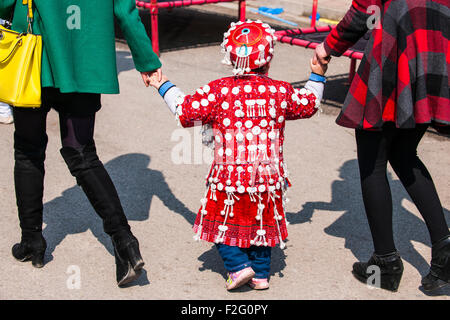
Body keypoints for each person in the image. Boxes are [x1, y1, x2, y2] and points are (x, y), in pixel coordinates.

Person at [150, 20, 327, 290]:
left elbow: (185, 111)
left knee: (220, 221)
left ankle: (237, 267)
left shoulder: (218, 90)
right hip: (268, 177)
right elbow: (310, 103)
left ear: (231, 59)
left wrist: (162, 84)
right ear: (268, 61)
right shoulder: (279, 91)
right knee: (263, 223)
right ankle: (261, 275)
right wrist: (317, 74)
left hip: (228, 176)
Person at [0, 0, 162, 287]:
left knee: (28, 150)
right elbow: (125, 10)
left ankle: (32, 241)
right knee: (82, 153)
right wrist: (147, 61)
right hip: (87, 60)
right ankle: (125, 242)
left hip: (36, 58)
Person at [314, 0, 450, 292]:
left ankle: (385, 265)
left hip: (395, 57)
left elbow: (364, 12)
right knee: (403, 153)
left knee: (373, 163)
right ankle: (445, 252)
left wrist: (327, 47)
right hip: (434, 59)